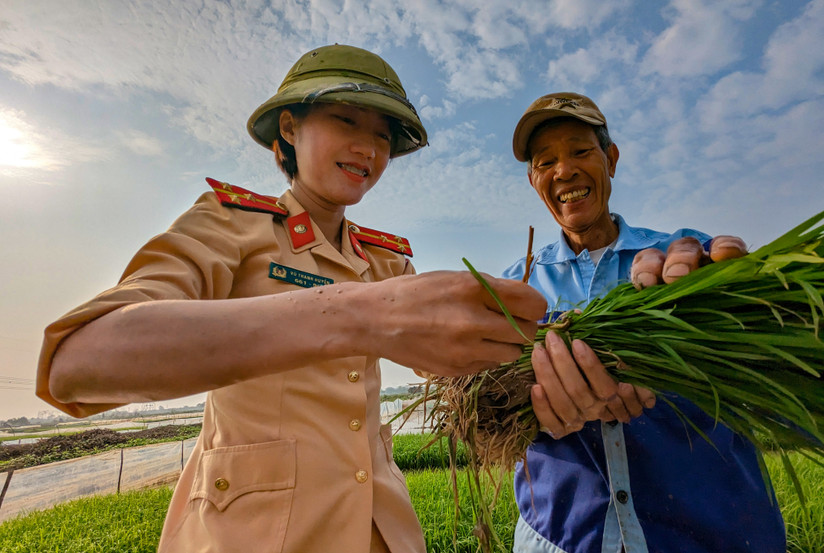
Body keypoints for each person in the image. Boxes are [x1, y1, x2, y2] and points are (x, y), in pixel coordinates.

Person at [35, 44, 550, 553]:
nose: (368, 149)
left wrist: (547, 363)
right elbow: (77, 361)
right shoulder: (228, 224)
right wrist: (357, 315)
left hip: (382, 533)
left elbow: (451, 368)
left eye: (382, 135)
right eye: (346, 120)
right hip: (252, 535)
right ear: (289, 128)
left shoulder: (387, 259)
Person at [502, 92, 786, 553]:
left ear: (610, 160)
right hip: (561, 539)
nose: (564, 170)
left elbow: (765, 352)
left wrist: (740, 296)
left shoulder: (683, 258)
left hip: (706, 537)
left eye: (579, 151)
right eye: (545, 161)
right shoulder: (514, 287)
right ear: (535, 181)